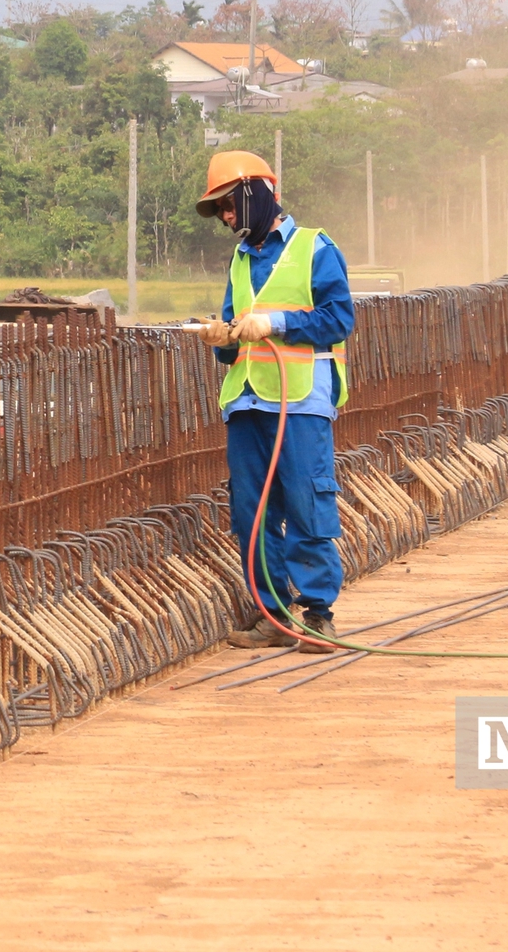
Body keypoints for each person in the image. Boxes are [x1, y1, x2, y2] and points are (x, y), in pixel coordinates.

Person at [192, 150, 355, 651]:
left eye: (228, 205)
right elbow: (236, 334)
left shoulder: (314, 248)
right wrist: (223, 340)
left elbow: (339, 319)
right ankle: (274, 614)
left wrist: (277, 324)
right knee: (252, 513)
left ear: (253, 194)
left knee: (306, 502)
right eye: (219, 209)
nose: (225, 217)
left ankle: (317, 614)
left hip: (300, 400)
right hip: (245, 401)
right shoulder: (240, 261)